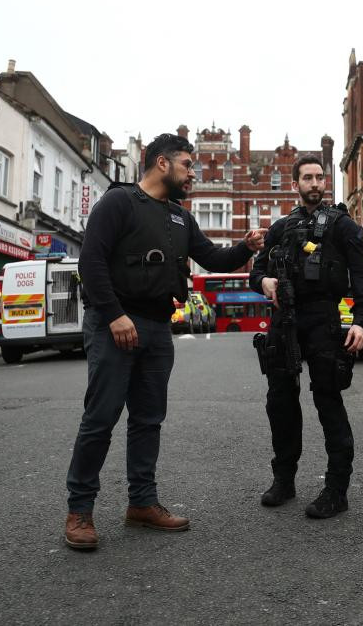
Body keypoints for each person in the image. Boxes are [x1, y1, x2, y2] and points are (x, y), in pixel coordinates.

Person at [64, 132, 265, 550]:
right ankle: (79, 510)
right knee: (100, 418)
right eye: (187, 165)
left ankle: (142, 503)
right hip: (115, 323)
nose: (193, 172)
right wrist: (115, 315)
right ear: (161, 163)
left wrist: (244, 247)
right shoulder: (118, 203)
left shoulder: (179, 217)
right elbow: (91, 262)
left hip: (157, 327)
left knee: (148, 420)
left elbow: (211, 258)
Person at [249, 154, 363, 519]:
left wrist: (359, 322)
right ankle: (283, 480)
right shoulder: (279, 228)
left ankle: (337, 489)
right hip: (284, 320)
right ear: (296, 184)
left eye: (320, 177)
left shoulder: (343, 227)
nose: (315, 183)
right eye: (308, 178)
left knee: (328, 400)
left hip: (323, 319)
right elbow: (255, 273)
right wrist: (265, 281)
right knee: (280, 402)